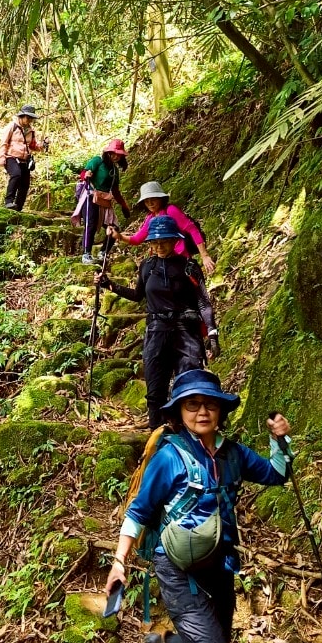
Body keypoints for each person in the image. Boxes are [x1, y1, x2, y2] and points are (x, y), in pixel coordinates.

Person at [104, 369, 291, 643]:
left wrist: (280, 441)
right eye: (192, 404)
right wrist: (119, 562)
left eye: (209, 404)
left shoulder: (233, 454)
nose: (202, 411)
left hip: (220, 567)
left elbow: (277, 475)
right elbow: (139, 511)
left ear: (220, 410)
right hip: (177, 570)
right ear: (181, 413)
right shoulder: (170, 457)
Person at [96, 214, 219, 428]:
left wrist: (212, 332)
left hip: (186, 332)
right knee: (155, 392)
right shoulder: (147, 266)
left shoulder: (189, 266)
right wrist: (109, 285)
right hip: (156, 331)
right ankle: (157, 441)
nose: (159, 246)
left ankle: (189, 441)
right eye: (155, 241)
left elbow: (203, 302)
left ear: (175, 240)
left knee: (189, 388)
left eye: (164, 241)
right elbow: (137, 295)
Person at [110, 181, 215, 276]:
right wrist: (118, 236)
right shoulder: (151, 218)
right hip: (163, 258)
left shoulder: (171, 211)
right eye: (147, 201)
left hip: (181, 257)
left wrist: (204, 256)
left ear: (161, 199)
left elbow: (192, 229)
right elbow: (137, 239)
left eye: (153, 200)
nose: (150, 204)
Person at [72, 138, 131, 264]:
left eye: (119, 155)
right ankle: (86, 254)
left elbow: (115, 191)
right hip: (90, 196)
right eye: (114, 153)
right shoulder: (97, 161)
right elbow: (84, 173)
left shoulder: (114, 171)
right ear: (108, 153)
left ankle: (103, 253)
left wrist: (124, 206)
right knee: (91, 224)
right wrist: (86, 175)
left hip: (104, 201)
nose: (116, 157)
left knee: (114, 227)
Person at [0, 105, 48, 211]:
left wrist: (43, 145)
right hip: (11, 157)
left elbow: (33, 145)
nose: (29, 120)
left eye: (31, 118)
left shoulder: (30, 130)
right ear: (22, 116)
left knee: (25, 184)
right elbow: (4, 142)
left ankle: (18, 208)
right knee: (16, 175)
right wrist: (2, 157)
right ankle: (8, 202)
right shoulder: (12, 126)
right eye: (28, 118)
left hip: (24, 159)